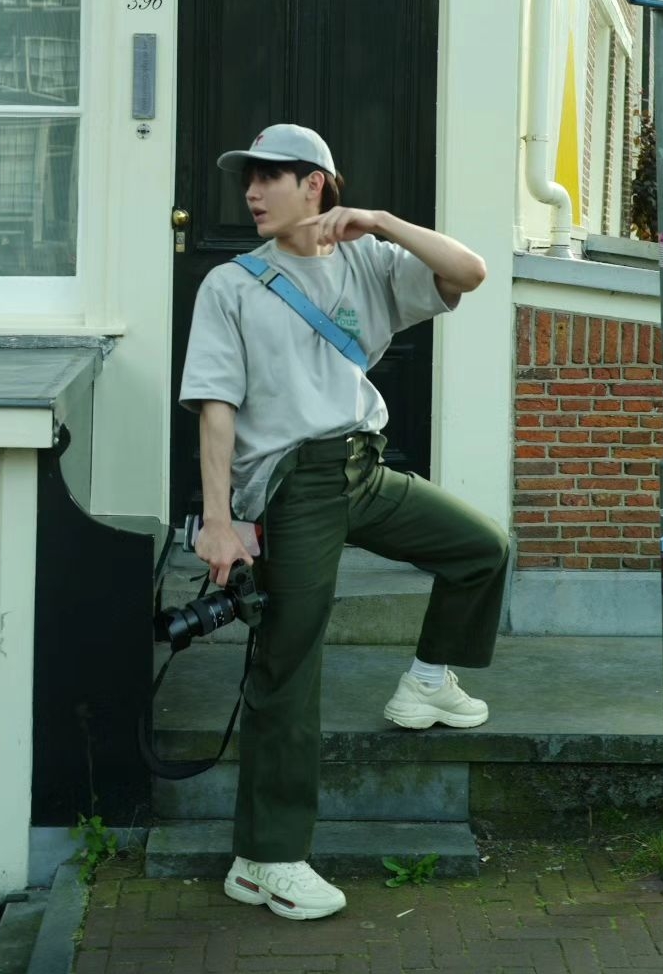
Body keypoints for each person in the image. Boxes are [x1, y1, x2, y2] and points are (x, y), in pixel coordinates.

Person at [179, 124, 509, 922]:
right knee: (288, 668)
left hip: (362, 467)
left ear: (315, 185)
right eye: (248, 178)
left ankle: (427, 682)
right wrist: (218, 521)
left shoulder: (370, 261)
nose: (251, 191)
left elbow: (470, 271)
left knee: (482, 549)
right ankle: (266, 859)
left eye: (270, 176)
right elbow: (216, 408)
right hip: (295, 486)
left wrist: (382, 221)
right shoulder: (230, 285)